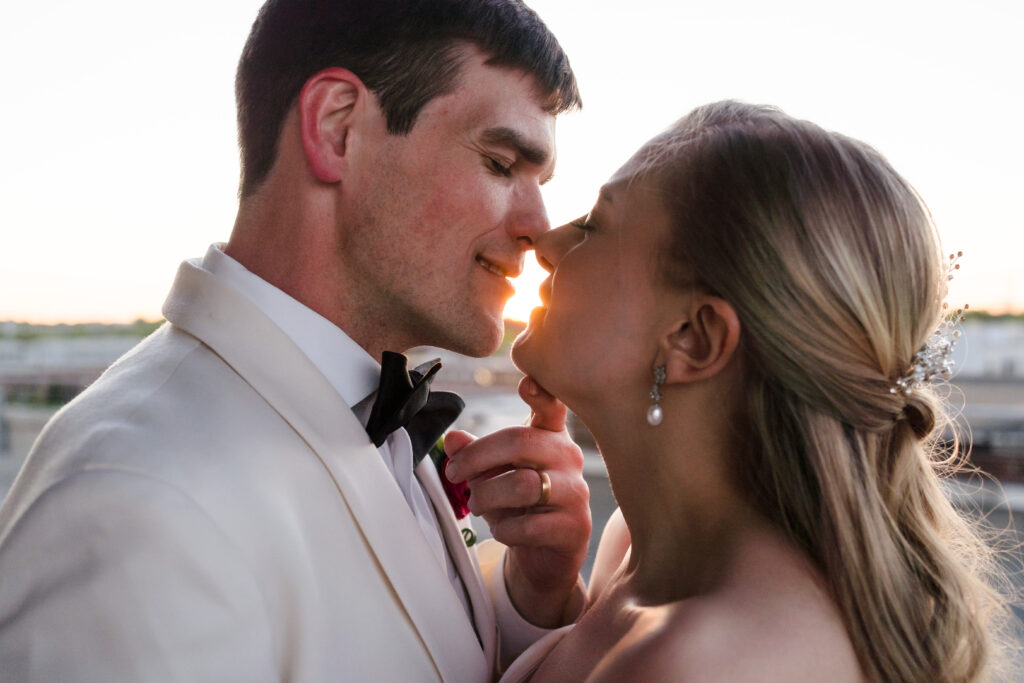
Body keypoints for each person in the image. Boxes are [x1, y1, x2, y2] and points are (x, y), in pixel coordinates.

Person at [0, 1, 591, 680]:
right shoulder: (131, 504)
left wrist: (532, 594)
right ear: (337, 127)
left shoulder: (358, 397)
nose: (538, 227)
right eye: (500, 163)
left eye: (539, 183)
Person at [461, 100, 1013, 682]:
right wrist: (544, 597)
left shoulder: (703, 664)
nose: (547, 242)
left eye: (596, 225)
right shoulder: (634, 547)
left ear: (695, 339)